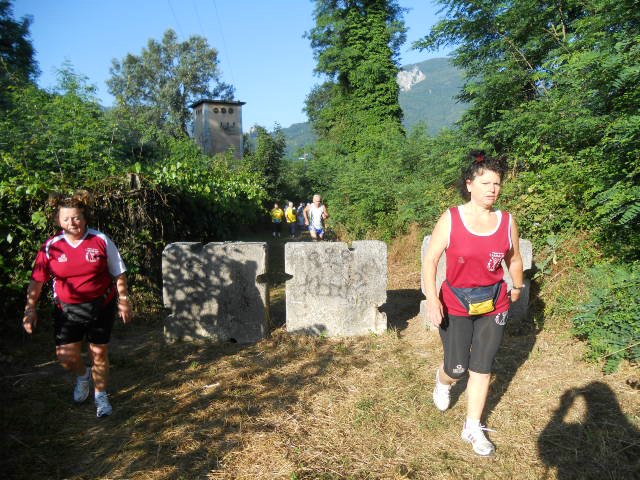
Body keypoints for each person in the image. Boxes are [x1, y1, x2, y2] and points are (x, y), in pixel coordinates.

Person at [422, 151, 524, 456]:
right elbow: (430, 260)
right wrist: (432, 299)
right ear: (469, 185)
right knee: (457, 368)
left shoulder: (507, 221)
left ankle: (472, 427)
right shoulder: (451, 218)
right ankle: (443, 381)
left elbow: (514, 258)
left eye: (497, 183)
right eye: (485, 183)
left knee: (482, 367)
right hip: (456, 303)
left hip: (494, 303)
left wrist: (517, 285)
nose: (492, 189)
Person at [22, 191, 132, 418]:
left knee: (99, 353)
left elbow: (119, 272)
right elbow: (37, 280)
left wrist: (123, 300)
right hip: (67, 310)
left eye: (76, 217)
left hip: (101, 306)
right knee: (66, 357)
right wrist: (30, 308)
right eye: (66, 219)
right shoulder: (51, 246)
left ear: (84, 217)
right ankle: (83, 376)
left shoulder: (100, 240)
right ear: (58, 220)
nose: (72, 223)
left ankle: (101, 395)